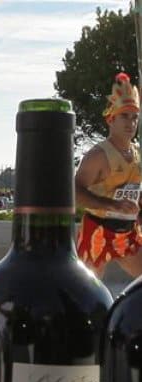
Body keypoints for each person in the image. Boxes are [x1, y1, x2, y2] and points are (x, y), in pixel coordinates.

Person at [75, 73, 142, 279]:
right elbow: (74, 192)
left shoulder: (138, 153)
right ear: (111, 119)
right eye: (124, 116)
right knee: (86, 292)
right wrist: (113, 205)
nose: (131, 123)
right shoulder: (98, 156)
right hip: (97, 231)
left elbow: (136, 191)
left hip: (128, 232)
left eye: (135, 117)